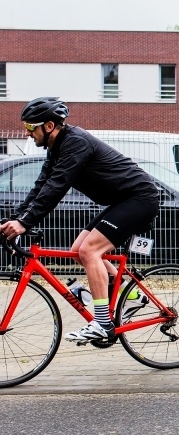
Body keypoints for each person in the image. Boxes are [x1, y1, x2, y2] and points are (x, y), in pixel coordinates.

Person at [0, 97, 159, 342]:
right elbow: (41, 186)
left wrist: (25, 223)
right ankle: (133, 298)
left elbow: (57, 186)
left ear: (49, 126)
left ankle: (102, 323)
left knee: (89, 251)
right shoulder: (56, 148)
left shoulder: (76, 143)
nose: (27, 133)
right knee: (78, 250)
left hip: (139, 198)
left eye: (31, 127)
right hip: (123, 200)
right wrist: (15, 219)